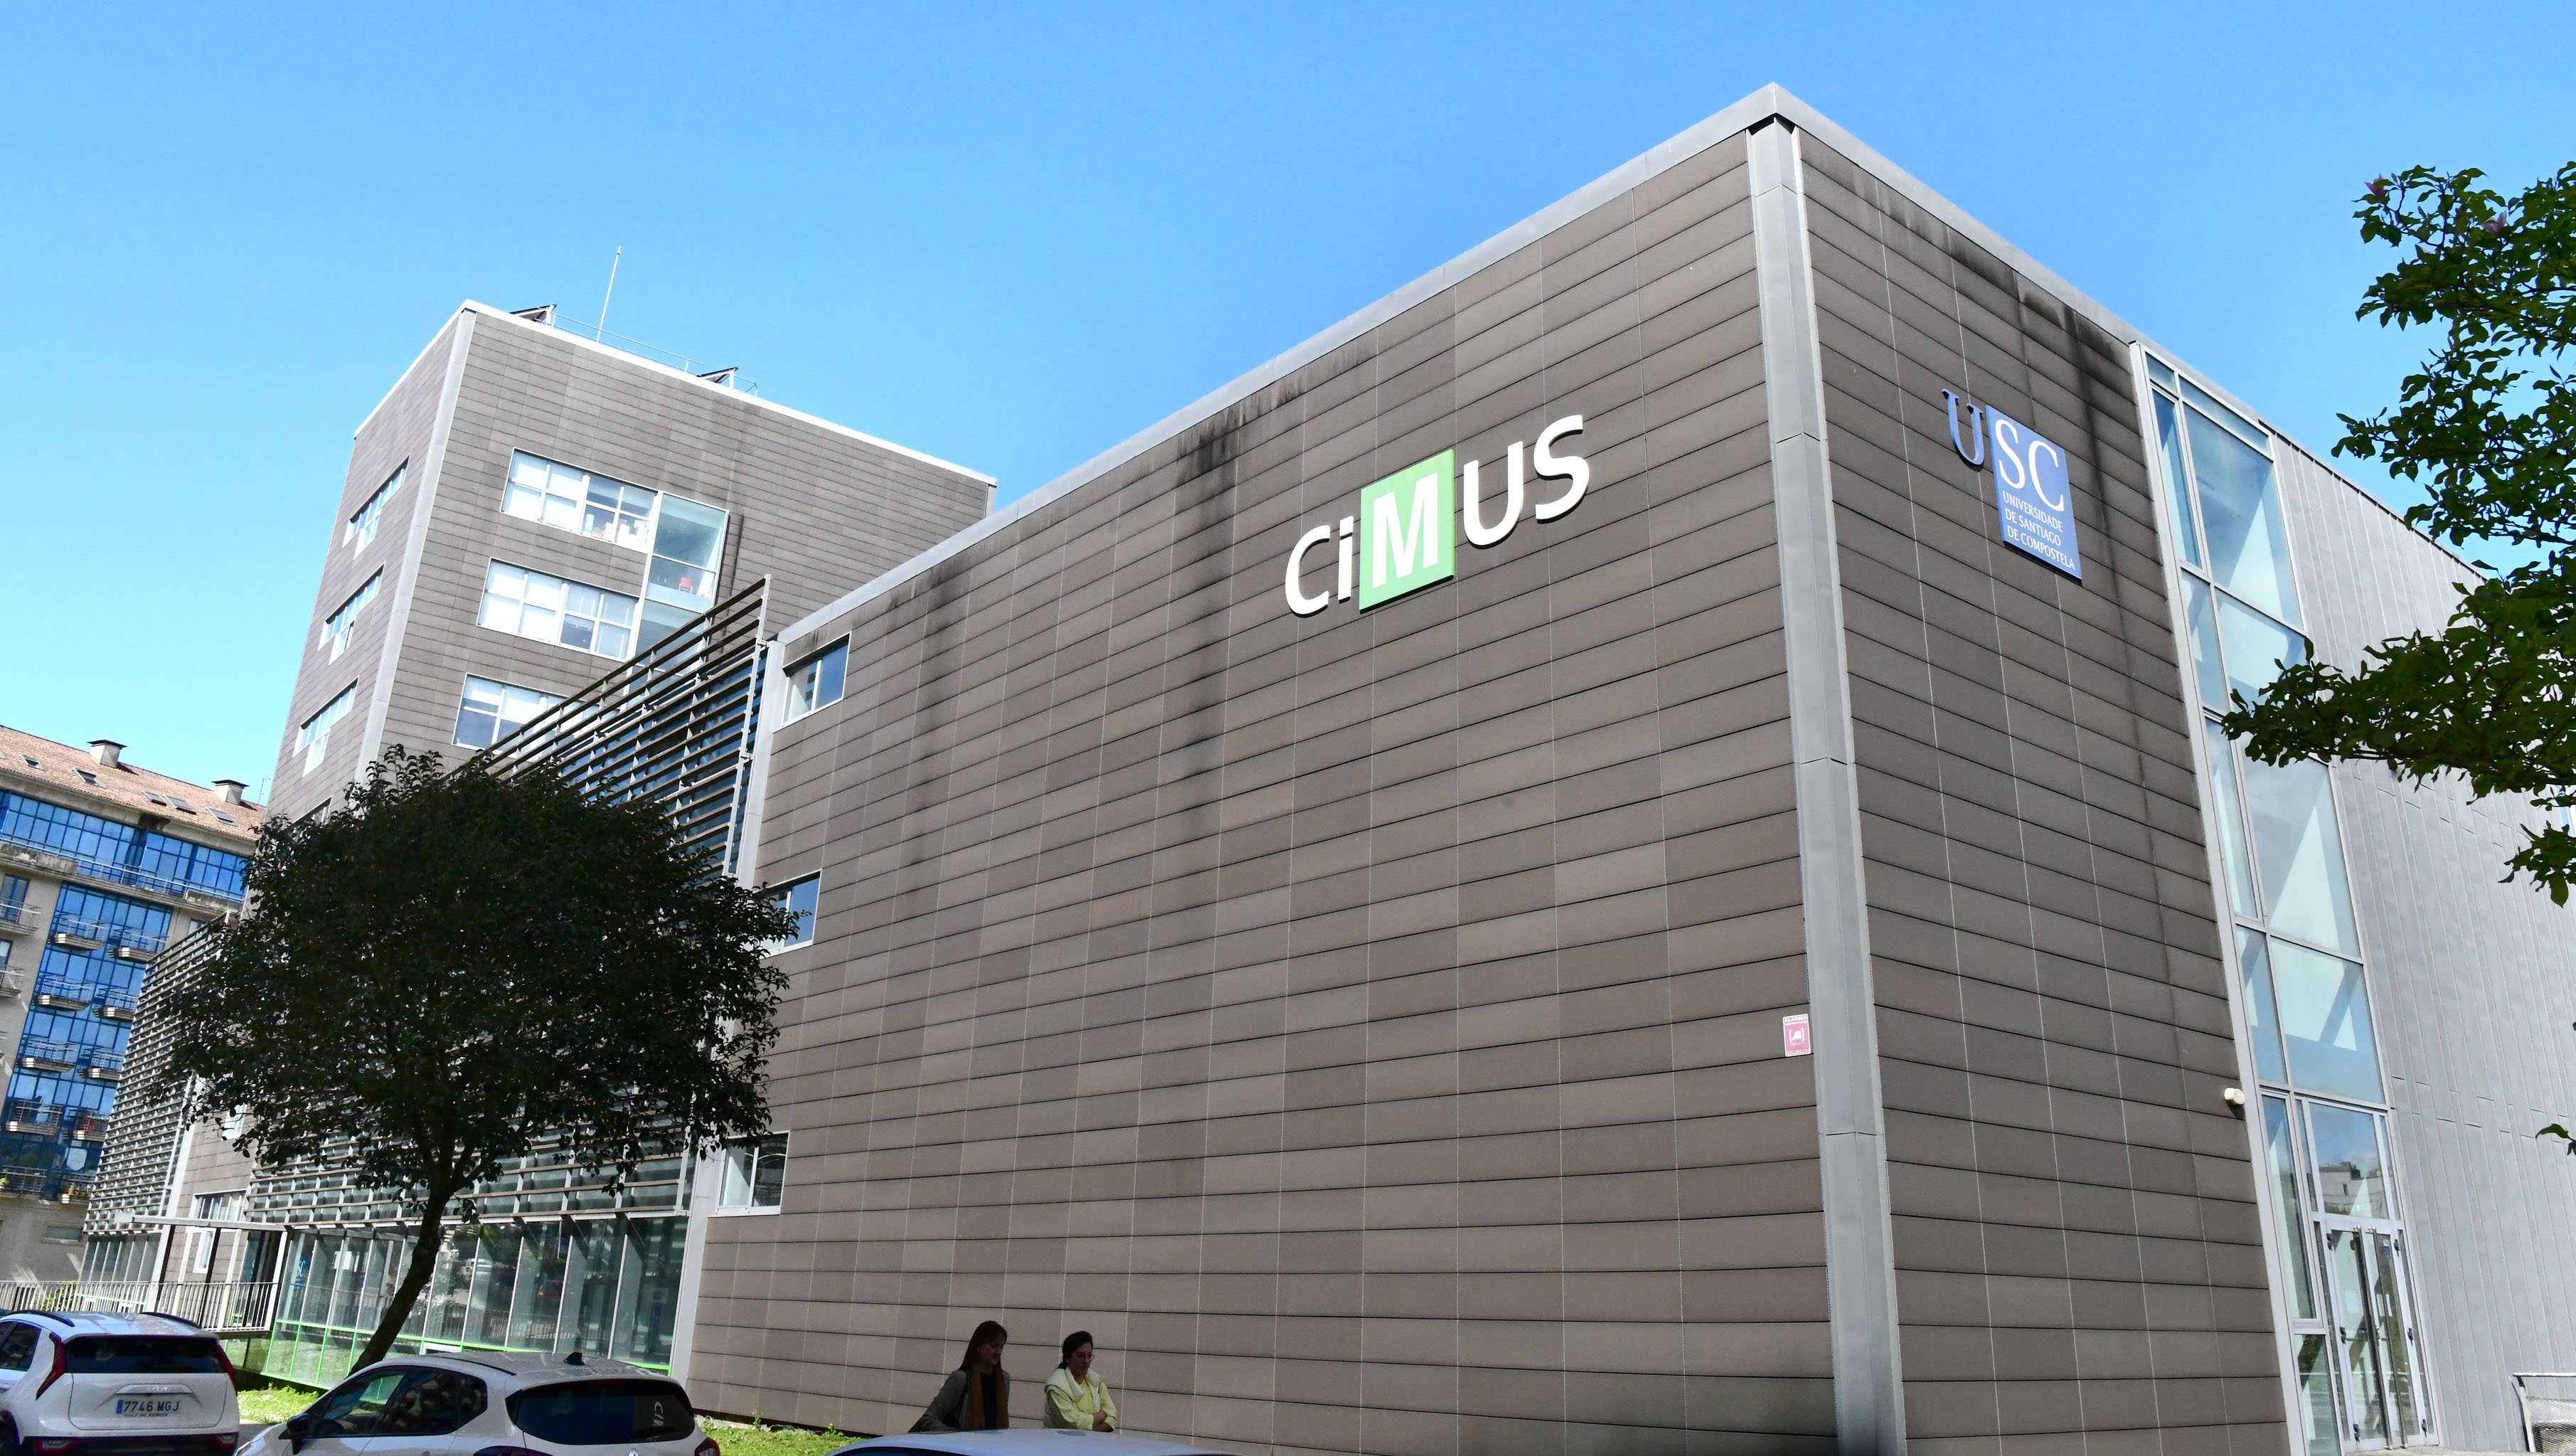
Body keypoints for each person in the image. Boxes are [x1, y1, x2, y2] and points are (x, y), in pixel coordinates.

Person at [912, 1320, 1011, 1433]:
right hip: (962, 1443)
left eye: (1001, 1347)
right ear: (979, 1347)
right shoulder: (961, 1378)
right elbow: (928, 1419)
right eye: (993, 1346)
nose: (998, 1352)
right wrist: (957, 1436)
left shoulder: (1004, 1380)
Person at [1043, 1331, 1119, 1432]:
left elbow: (1112, 1417)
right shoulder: (1057, 1387)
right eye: (1080, 1356)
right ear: (1067, 1358)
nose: (1086, 1361)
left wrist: (1089, 1431)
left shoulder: (1096, 1382)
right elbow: (1075, 1424)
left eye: (1090, 1356)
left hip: (1093, 1442)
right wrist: (1103, 1414)